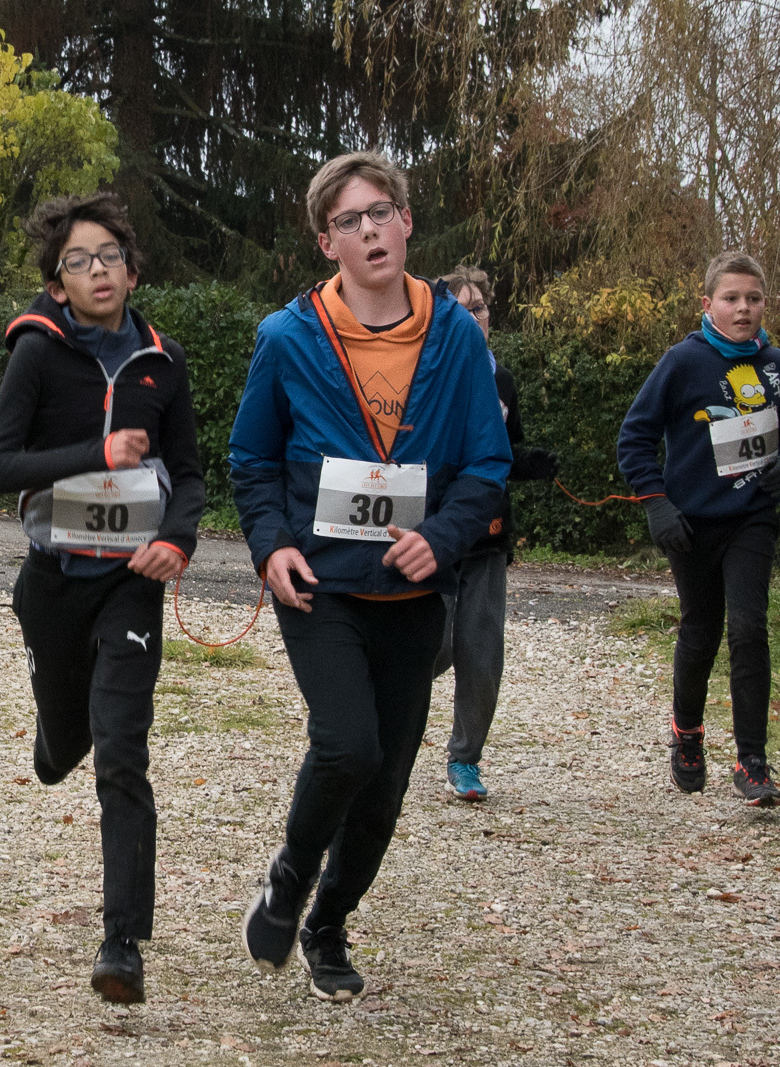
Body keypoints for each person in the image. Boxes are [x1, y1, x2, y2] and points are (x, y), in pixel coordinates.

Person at [229, 151, 510, 1000]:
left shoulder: (457, 338)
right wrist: (271, 545)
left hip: (414, 594)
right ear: (328, 243)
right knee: (347, 743)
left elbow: (486, 466)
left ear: (407, 222)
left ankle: (327, 924)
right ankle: (290, 874)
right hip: (320, 585)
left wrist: (446, 537)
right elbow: (252, 459)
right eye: (349, 221)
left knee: (385, 783)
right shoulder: (288, 338)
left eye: (381, 212)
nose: (370, 231)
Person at [0, 192, 205, 1004]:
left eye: (110, 256)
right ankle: (54, 736)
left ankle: (121, 943)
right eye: (79, 260)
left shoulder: (163, 362)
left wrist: (179, 539)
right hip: (53, 581)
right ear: (57, 284)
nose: (97, 270)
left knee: (123, 750)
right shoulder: (37, 355)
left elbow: (190, 473)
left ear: (132, 271)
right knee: (68, 743)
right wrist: (95, 453)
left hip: (129, 582)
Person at [616, 251, 780, 808]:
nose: (743, 308)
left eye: (753, 298)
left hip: (752, 517)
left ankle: (752, 762)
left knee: (749, 629)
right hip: (691, 523)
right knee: (701, 630)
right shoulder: (683, 362)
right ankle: (687, 734)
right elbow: (634, 437)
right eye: (731, 298)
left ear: (765, 304)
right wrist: (656, 504)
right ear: (708, 304)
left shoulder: (779, 368)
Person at [431, 264, 558, 801]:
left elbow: (503, 453)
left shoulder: (501, 379)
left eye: (479, 308)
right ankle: (375, 716)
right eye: (460, 309)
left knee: (481, 656)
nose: (472, 317)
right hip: (433, 539)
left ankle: (464, 759)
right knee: (432, 648)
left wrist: (532, 462)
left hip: (487, 537)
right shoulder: (424, 373)